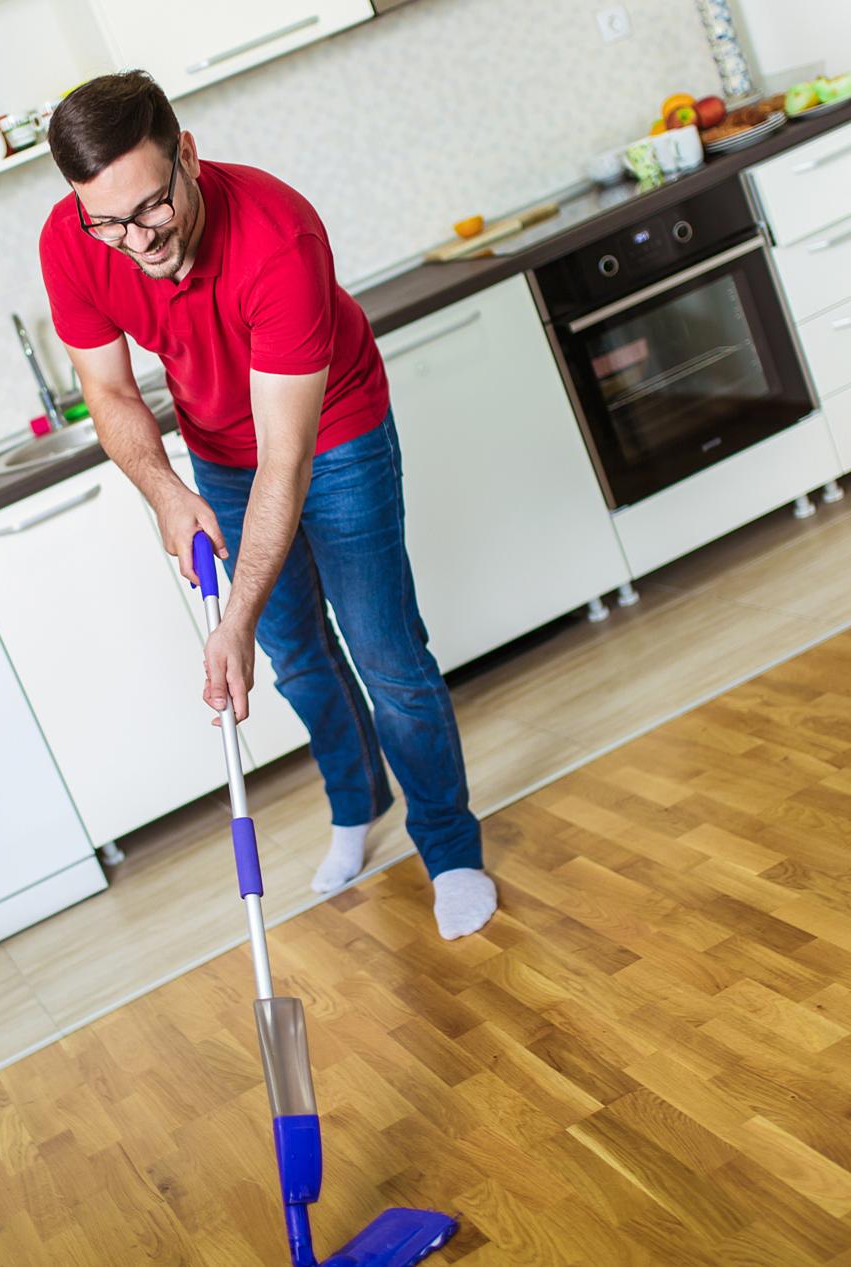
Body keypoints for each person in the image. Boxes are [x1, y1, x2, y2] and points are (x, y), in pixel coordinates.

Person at [37, 72, 496, 940]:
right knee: (295, 657)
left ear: (190, 160)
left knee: (386, 654)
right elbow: (108, 390)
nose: (132, 241)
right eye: (106, 220)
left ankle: (448, 845)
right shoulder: (74, 240)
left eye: (149, 210)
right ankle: (355, 806)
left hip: (333, 433)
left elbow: (289, 459)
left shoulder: (279, 236)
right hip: (218, 448)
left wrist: (231, 617)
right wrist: (168, 494)